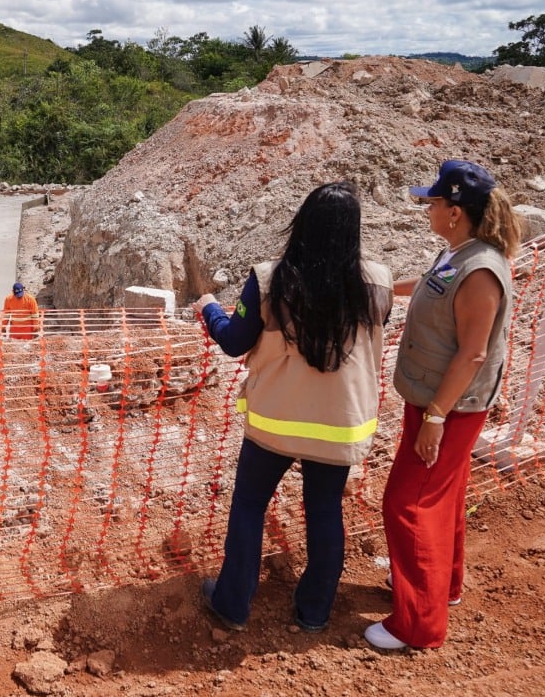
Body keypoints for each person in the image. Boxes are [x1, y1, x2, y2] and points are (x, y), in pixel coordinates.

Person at [191, 181, 393, 632]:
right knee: (324, 512)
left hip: (275, 422)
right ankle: (314, 613)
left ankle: (232, 604)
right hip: (340, 423)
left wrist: (210, 309)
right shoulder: (378, 281)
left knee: (249, 505)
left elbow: (233, 341)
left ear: (301, 223)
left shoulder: (270, 279)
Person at [365, 160, 521, 651]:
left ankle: (417, 625)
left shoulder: (481, 272)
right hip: (437, 401)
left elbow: (473, 353)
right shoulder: (459, 254)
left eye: (432, 202)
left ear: (455, 211)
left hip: (448, 408)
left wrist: (435, 417)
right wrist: (381, 289)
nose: (426, 209)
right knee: (443, 496)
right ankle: (442, 586)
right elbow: (431, 285)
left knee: (408, 503)